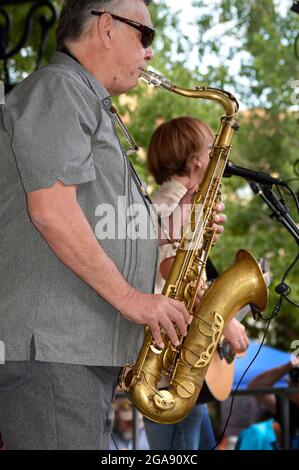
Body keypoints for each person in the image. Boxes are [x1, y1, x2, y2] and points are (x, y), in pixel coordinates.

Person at [0, 0, 209, 450]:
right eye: (145, 36)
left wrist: (176, 227)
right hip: (55, 354)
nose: (150, 52)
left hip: (73, 356)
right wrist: (135, 301)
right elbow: (52, 211)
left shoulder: (85, 101)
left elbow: (101, 225)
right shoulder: (59, 88)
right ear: (108, 27)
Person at [143, 116, 250, 450]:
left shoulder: (168, 202)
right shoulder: (171, 205)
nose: (220, 160)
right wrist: (223, 322)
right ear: (197, 161)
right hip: (170, 368)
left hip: (179, 365)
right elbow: (172, 268)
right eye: (213, 149)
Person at [236, 358, 299, 450]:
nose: (289, 385)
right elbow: (254, 387)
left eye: (294, 384)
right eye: (293, 383)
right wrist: (287, 367)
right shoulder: (290, 408)